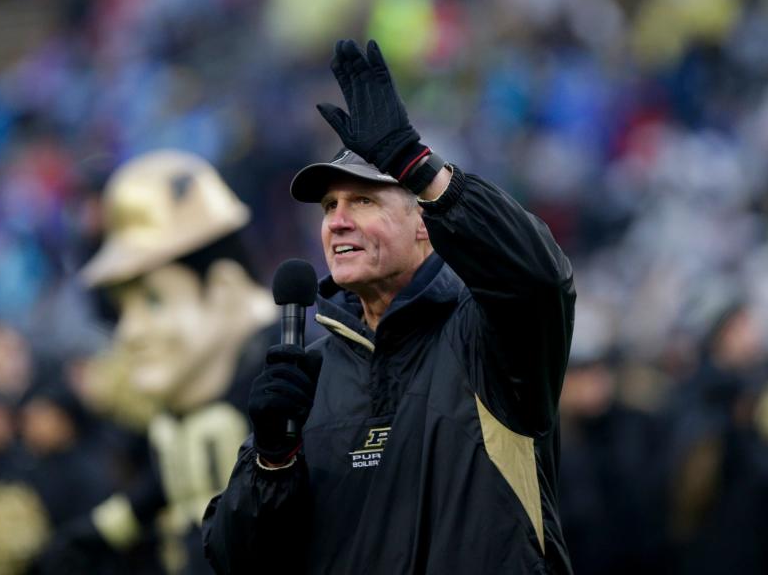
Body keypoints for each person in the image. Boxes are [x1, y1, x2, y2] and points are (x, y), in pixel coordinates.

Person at [202, 39, 577, 573]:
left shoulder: (488, 337)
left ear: (425, 221)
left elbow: (541, 278)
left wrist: (415, 164)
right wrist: (271, 459)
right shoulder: (309, 374)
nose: (337, 220)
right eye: (330, 206)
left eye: (364, 200)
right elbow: (236, 560)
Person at [40, 149, 279, 574]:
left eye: (152, 300)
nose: (130, 331)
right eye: (122, 308)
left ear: (224, 288)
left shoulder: (287, 377)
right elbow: (162, 488)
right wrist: (99, 532)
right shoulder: (177, 411)